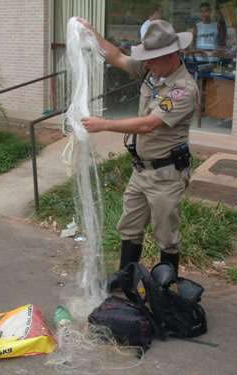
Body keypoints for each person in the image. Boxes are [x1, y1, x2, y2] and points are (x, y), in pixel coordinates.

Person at [78, 18, 198, 290]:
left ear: (170, 55)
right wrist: (90, 31)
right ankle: (126, 279)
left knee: (166, 234)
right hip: (141, 171)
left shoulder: (182, 90)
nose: (147, 63)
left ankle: (164, 290)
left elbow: (149, 124)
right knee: (129, 226)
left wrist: (104, 125)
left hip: (166, 174)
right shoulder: (151, 72)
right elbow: (115, 56)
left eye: (152, 59)